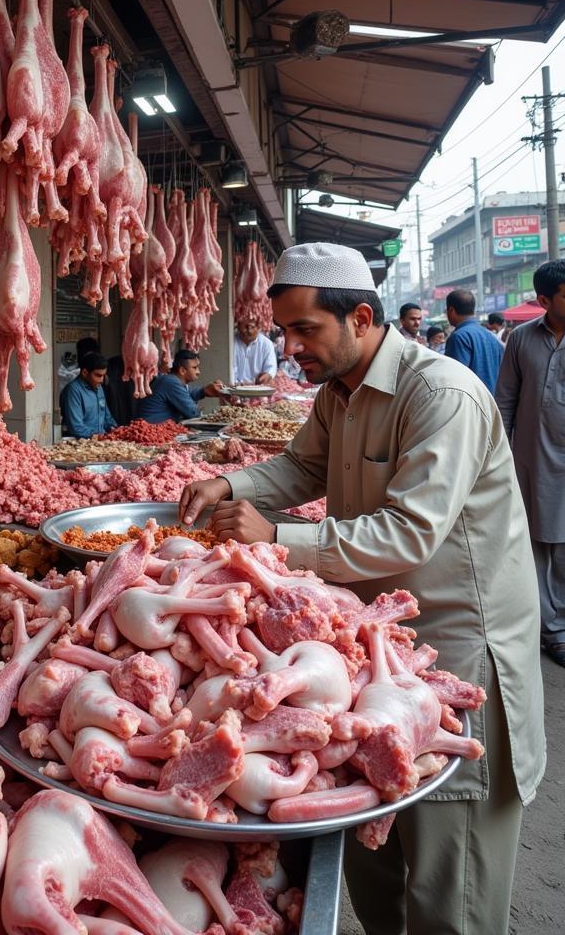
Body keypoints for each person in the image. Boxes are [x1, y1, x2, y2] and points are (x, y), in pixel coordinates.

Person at [178, 242, 544, 935]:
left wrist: (277, 541)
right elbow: (300, 470)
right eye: (284, 330)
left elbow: (410, 533)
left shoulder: (439, 394)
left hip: (458, 650)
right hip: (381, 648)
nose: (289, 349)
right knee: (377, 846)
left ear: (362, 317)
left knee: (449, 879)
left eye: (304, 330)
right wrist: (231, 484)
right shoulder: (338, 394)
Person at [495, 259, 565, 668]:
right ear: (544, 300)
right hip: (530, 459)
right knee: (535, 542)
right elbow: (505, 399)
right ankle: (550, 628)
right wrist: (498, 455)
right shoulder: (521, 338)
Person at [133, 349, 227, 423]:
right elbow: (192, 413)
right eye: (194, 368)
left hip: (158, 429)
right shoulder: (171, 382)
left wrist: (203, 391)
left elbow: (189, 393)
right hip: (150, 431)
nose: (198, 372)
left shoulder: (174, 381)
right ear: (182, 370)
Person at [444, 288, 504, 392]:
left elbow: (455, 380)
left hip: (472, 404)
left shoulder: (458, 337)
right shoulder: (493, 337)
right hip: (494, 402)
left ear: (451, 311)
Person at [59, 352, 116, 437]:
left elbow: (107, 417)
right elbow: (76, 428)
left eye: (104, 376)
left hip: (100, 442)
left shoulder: (98, 387)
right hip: (80, 445)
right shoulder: (73, 391)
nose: (102, 380)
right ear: (85, 372)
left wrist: (115, 429)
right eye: (98, 375)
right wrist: (100, 437)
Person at [232, 317, 278, 384]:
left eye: (252, 327)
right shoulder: (230, 342)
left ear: (259, 327)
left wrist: (267, 376)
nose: (249, 331)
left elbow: (270, 369)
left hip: (257, 389)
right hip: (232, 388)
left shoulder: (267, 344)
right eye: (246, 327)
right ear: (238, 325)